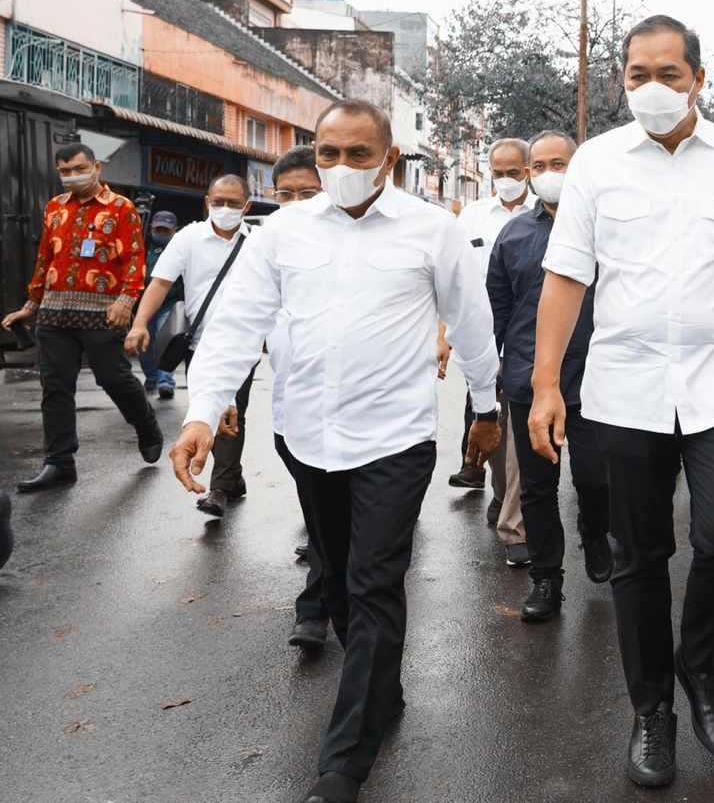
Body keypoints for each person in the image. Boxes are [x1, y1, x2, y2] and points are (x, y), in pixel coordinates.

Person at [169, 101, 502, 803]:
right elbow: (237, 323)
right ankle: (379, 688)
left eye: (358, 154)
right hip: (307, 438)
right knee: (343, 575)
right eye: (327, 154)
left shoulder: (432, 232)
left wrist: (487, 409)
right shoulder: (281, 233)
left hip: (395, 440)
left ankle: (343, 763)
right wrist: (203, 411)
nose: (342, 168)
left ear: (390, 159)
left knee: (374, 583)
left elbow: (473, 327)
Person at [527, 14, 714, 789]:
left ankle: (700, 665)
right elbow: (566, 276)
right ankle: (653, 711)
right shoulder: (596, 165)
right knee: (638, 558)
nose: (652, 88)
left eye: (668, 74)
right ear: (623, 82)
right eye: (637, 75)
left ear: (699, 81)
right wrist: (547, 384)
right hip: (623, 391)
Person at [487, 129, 612, 623]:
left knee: (596, 480)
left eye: (558, 163)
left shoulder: (607, 229)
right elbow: (496, 310)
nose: (546, 174)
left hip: (596, 381)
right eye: (536, 166)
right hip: (530, 383)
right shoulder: (514, 235)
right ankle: (547, 579)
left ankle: (595, 532)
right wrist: (492, 375)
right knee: (537, 487)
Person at [3, 143, 164, 491]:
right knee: (56, 388)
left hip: (102, 314)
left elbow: (135, 259)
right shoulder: (54, 209)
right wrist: (31, 305)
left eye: (79, 168)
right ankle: (59, 463)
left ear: (96, 167)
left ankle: (146, 425)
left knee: (113, 378)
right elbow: (45, 259)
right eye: (65, 171)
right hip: (54, 316)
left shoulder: (121, 208)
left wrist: (125, 301)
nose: (72, 177)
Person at [124, 174, 254, 519]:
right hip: (198, 342)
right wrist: (139, 324)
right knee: (206, 407)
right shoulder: (189, 238)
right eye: (219, 202)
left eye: (234, 203)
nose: (225, 209)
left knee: (230, 410)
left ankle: (221, 487)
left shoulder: (257, 243)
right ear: (206, 203)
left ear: (248, 207)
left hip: (242, 345)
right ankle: (233, 476)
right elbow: (160, 283)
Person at [449, 137, 535, 567]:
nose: (504, 180)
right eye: (497, 172)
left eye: (512, 172)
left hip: (526, 335)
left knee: (519, 429)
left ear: (529, 171)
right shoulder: (473, 218)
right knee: (491, 420)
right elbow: (455, 280)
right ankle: (500, 494)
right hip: (482, 336)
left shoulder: (545, 213)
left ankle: (514, 524)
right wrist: (446, 335)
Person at [261, 147, 334, 651]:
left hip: (362, 415)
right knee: (322, 517)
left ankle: (315, 610)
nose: (294, 204)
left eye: (306, 193)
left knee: (337, 528)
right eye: (284, 195)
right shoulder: (267, 249)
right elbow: (241, 323)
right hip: (292, 414)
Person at [137, 210, 180, 399]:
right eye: (158, 229)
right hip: (146, 303)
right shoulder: (143, 248)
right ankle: (151, 376)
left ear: (174, 230)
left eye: (165, 230)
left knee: (165, 340)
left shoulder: (179, 248)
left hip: (169, 303)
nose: (161, 233)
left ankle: (165, 380)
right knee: (144, 342)